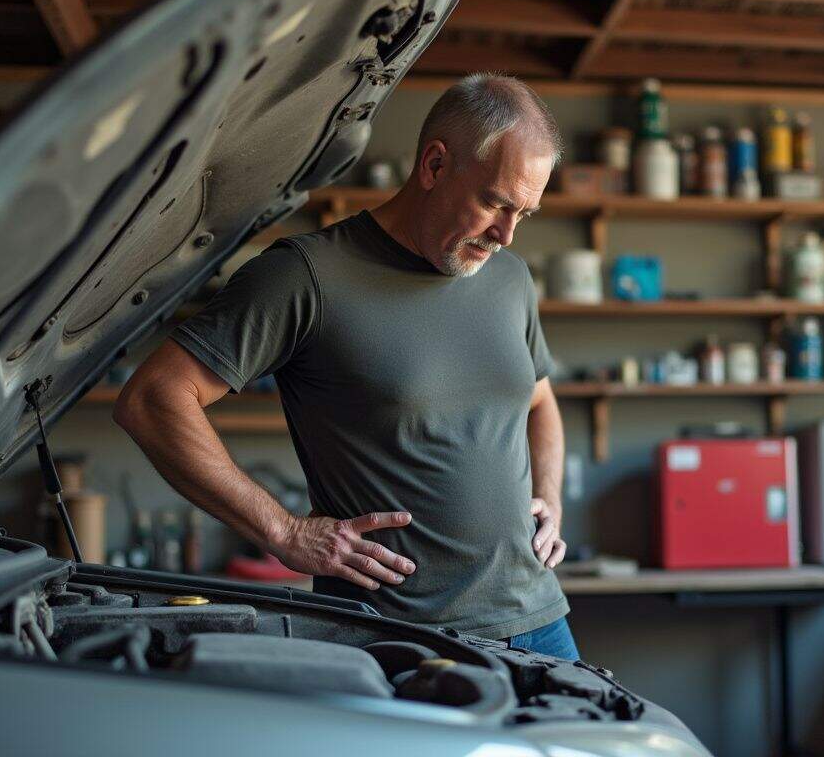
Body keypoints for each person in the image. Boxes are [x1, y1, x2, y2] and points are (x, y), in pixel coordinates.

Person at [114, 73, 578, 660]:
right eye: (495, 203)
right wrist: (282, 530)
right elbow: (154, 398)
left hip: (540, 616)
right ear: (434, 165)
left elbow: (539, 400)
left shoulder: (509, 278)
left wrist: (549, 498)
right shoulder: (304, 276)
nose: (506, 235)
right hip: (401, 635)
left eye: (524, 214)